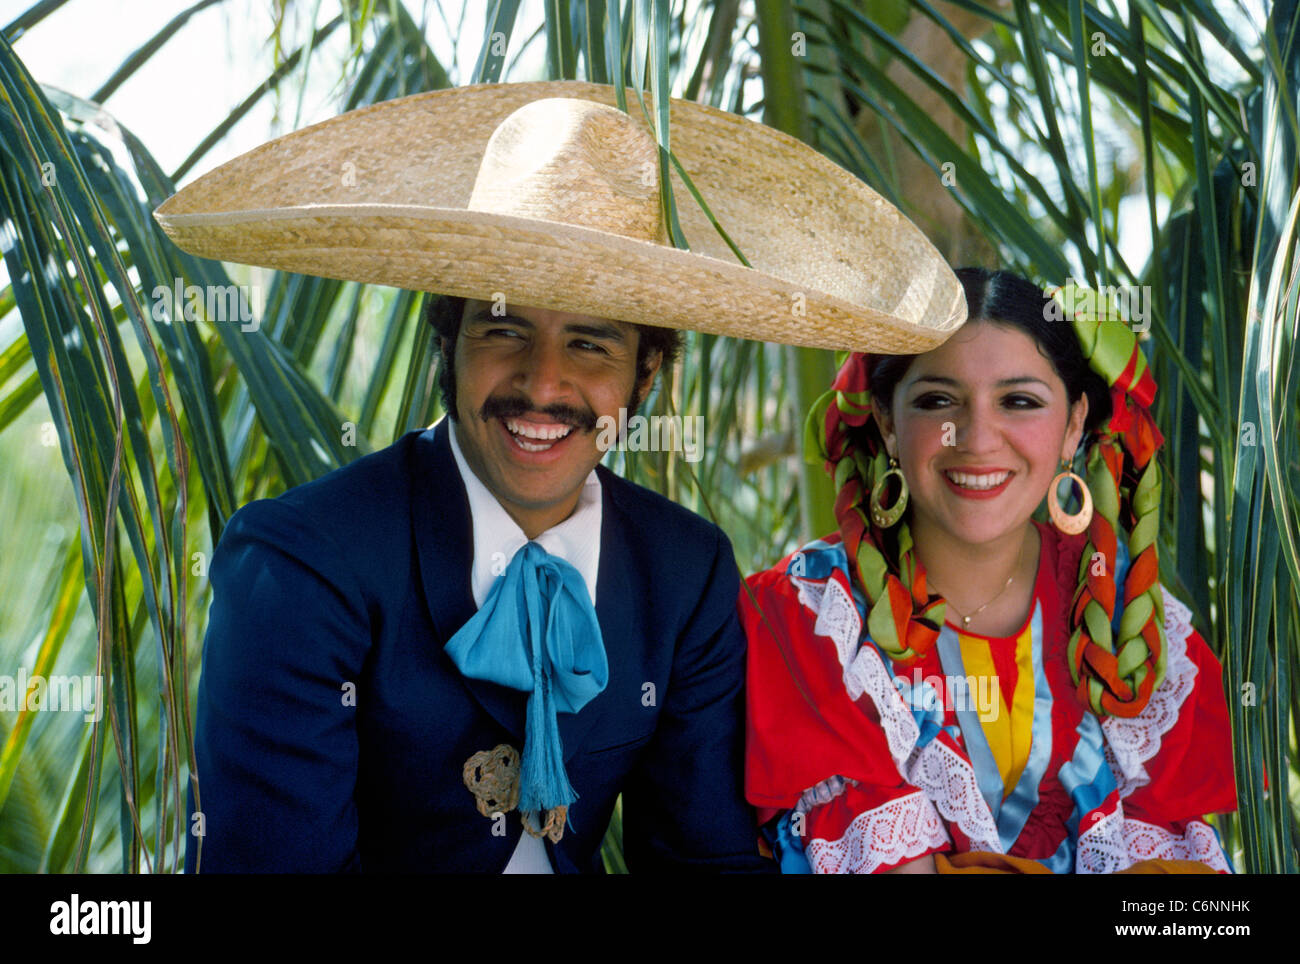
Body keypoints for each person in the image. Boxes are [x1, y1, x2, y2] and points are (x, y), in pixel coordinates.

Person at [153, 81, 966, 872]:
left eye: (590, 344)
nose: (543, 385)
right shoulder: (302, 560)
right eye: (504, 329)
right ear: (449, 340)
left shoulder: (683, 571)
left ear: (646, 376)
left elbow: (703, 858)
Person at [741, 268, 1237, 874]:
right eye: (937, 401)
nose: (977, 438)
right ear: (887, 421)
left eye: (1019, 401)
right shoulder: (811, 618)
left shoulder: (1135, 629)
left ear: (1074, 424)